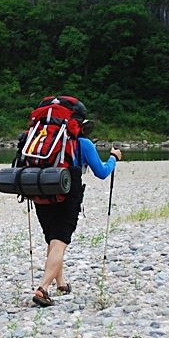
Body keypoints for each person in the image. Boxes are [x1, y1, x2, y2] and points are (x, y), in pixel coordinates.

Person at [32, 131, 121, 308]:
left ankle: (61, 284)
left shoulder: (41, 141)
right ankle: (43, 288)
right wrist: (114, 158)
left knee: (52, 239)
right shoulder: (82, 143)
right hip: (67, 195)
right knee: (59, 242)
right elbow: (102, 172)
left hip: (40, 194)